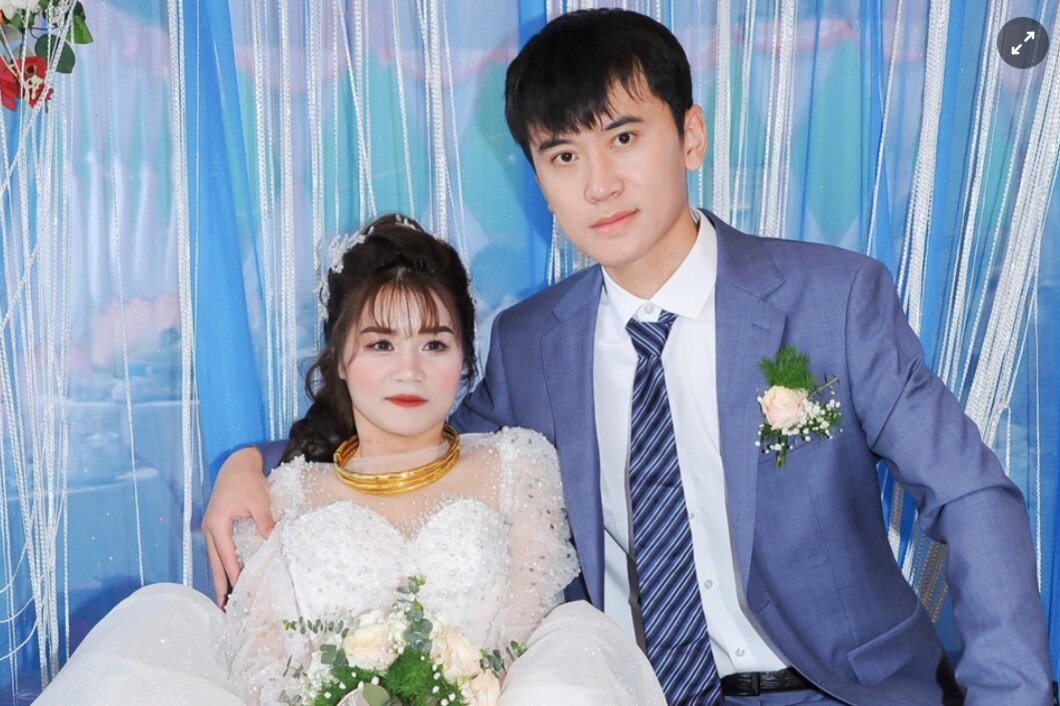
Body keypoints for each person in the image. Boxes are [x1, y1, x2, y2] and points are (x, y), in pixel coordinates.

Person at [204, 9, 1055, 706]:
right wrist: (251, 463)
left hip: (838, 690)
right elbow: (421, 443)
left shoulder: (831, 299)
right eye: (563, 156)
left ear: (690, 136)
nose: (599, 185)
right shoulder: (534, 343)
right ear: (539, 180)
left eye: (622, 138)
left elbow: (970, 495)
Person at [35, 215, 666, 706]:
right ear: (339, 358)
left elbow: (525, 637)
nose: (409, 370)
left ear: (465, 359)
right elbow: (263, 669)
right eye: (381, 344)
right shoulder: (284, 496)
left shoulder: (518, 468)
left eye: (434, 344)